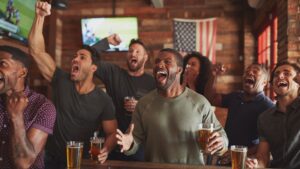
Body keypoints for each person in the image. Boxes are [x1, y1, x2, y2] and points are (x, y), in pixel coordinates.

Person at [28, 1, 117, 168]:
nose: (75, 58)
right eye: (75, 56)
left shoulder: (103, 100)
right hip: (50, 160)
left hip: (80, 162)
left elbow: (111, 132)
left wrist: (106, 148)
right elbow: (36, 51)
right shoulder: (61, 79)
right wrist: (39, 17)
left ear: (93, 68)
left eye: (82, 57)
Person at [116, 48, 228, 165]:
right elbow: (134, 141)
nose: (160, 64)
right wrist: (128, 143)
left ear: (179, 70)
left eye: (167, 61)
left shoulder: (200, 102)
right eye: (157, 61)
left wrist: (220, 142)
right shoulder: (143, 104)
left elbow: (222, 138)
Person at [92, 36, 155, 161]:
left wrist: (140, 107)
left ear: (145, 57)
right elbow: (89, 60)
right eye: (130, 51)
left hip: (136, 146)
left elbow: (158, 112)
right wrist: (106, 42)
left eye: (138, 52)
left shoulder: (152, 83)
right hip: (109, 142)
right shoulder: (114, 73)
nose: (133, 54)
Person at [205, 63, 274, 164]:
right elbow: (211, 99)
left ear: (264, 82)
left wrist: (239, 152)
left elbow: (270, 142)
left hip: (248, 161)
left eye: (255, 71)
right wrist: (213, 75)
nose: (249, 72)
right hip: (225, 157)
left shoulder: (268, 107)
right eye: (247, 71)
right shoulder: (236, 96)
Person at [0, 46, 56, 169]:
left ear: (22, 72)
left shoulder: (43, 107)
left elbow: (23, 163)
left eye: (3, 64)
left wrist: (16, 116)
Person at [246, 61, 300, 169]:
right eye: (276, 74)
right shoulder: (264, 118)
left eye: (287, 73)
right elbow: (263, 158)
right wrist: (256, 165)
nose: (280, 76)